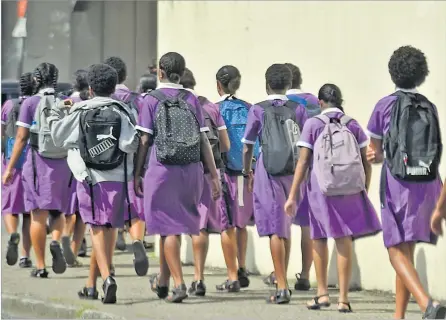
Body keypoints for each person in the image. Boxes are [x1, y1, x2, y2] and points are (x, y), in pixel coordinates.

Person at [285, 83, 381, 312]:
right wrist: (363, 189)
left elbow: (303, 162)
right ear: (340, 101)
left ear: (320, 103)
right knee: (343, 239)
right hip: (349, 190)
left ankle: (322, 294)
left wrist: (292, 195)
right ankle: (344, 299)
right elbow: (365, 161)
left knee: (319, 238)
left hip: (321, 189)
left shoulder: (313, 124)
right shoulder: (352, 124)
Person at [49, 63, 139, 304]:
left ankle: (107, 277)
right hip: (118, 178)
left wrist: (57, 111)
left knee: (96, 229)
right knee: (109, 228)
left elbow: (58, 137)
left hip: (89, 179)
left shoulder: (79, 110)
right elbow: (131, 144)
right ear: (114, 86)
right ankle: (92, 284)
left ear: (90, 88)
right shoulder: (122, 110)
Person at [366, 45, 446, 319]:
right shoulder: (429, 106)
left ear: (393, 73)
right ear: (422, 75)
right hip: (428, 183)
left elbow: (375, 153)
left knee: (394, 251)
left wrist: (374, 155)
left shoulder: (384, 105)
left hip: (398, 184)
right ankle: (398, 316)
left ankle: (428, 305)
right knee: (406, 252)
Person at [134, 52, 220, 303]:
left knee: (168, 229)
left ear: (160, 72)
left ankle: (179, 285)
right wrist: (213, 175)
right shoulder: (191, 98)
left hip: (162, 169)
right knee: (172, 227)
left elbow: (144, 139)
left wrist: (138, 174)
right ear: (181, 73)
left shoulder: (151, 100)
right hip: (191, 170)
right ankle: (162, 281)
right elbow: (204, 139)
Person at [242, 64, 308, 304]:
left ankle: (281, 286)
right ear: (288, 85)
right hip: (293, 172)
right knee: (285, 225)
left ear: (267, 84)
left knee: (274, 228)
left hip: (266, 171)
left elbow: (248, 144)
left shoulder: (258, 109)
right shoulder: (299, 108)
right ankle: (284, 279)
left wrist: (247, 170)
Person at [2, 62, 69, 278]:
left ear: (37, 79)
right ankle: (56, 241)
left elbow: (21, 137)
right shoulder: (63, 100)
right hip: (62, 161)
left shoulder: (30, 103)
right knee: (58, 211)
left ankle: (40, 266)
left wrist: (10, 168)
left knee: (37, 215)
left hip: (38, 162)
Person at [180, 68, 240, 295]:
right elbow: (225, 145)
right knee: (226, 225)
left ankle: (198, 278)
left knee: (198, 226)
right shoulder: (209, 106)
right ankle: (232, 276)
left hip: (189, 174)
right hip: (215, 172)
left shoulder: (172, 106)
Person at [263, 63, 316, 291]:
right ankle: (304, 275)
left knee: (283, 223)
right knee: (306, 225)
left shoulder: (274, 105)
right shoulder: (313, 101)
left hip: (282, 171)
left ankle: (280, 275)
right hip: (311, 169)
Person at [104, 56, 149, 277]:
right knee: (136, 211)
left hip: (106, 166)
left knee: (109, 218)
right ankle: (138, 240)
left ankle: (109, 264)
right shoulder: (138, 100)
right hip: (133, 164)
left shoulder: (102, 99)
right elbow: (145, 135)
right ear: (125, 76)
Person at [216, 65, 257, 288]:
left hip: (223, 174)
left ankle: (231, 276)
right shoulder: (249, 108)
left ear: (218, 85)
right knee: (241, 224)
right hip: (245, 172)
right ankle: (241, 267)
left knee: (226, 225)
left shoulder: (214, 110)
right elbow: (255, 143)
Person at [2, 72, 34, 268]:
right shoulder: (36, 105)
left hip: (10, 161)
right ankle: (25, 256)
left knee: (9, 206)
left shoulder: (8, 105)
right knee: (30, 213)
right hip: (32, 161)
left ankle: (12, 233)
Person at [62, 69, 89, 267]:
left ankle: (63, 235)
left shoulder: (64, 102)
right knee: (81, 210)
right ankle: (73, 250)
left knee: (67, 208)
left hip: (64, 160)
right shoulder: (89, 104)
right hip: (85, 161)